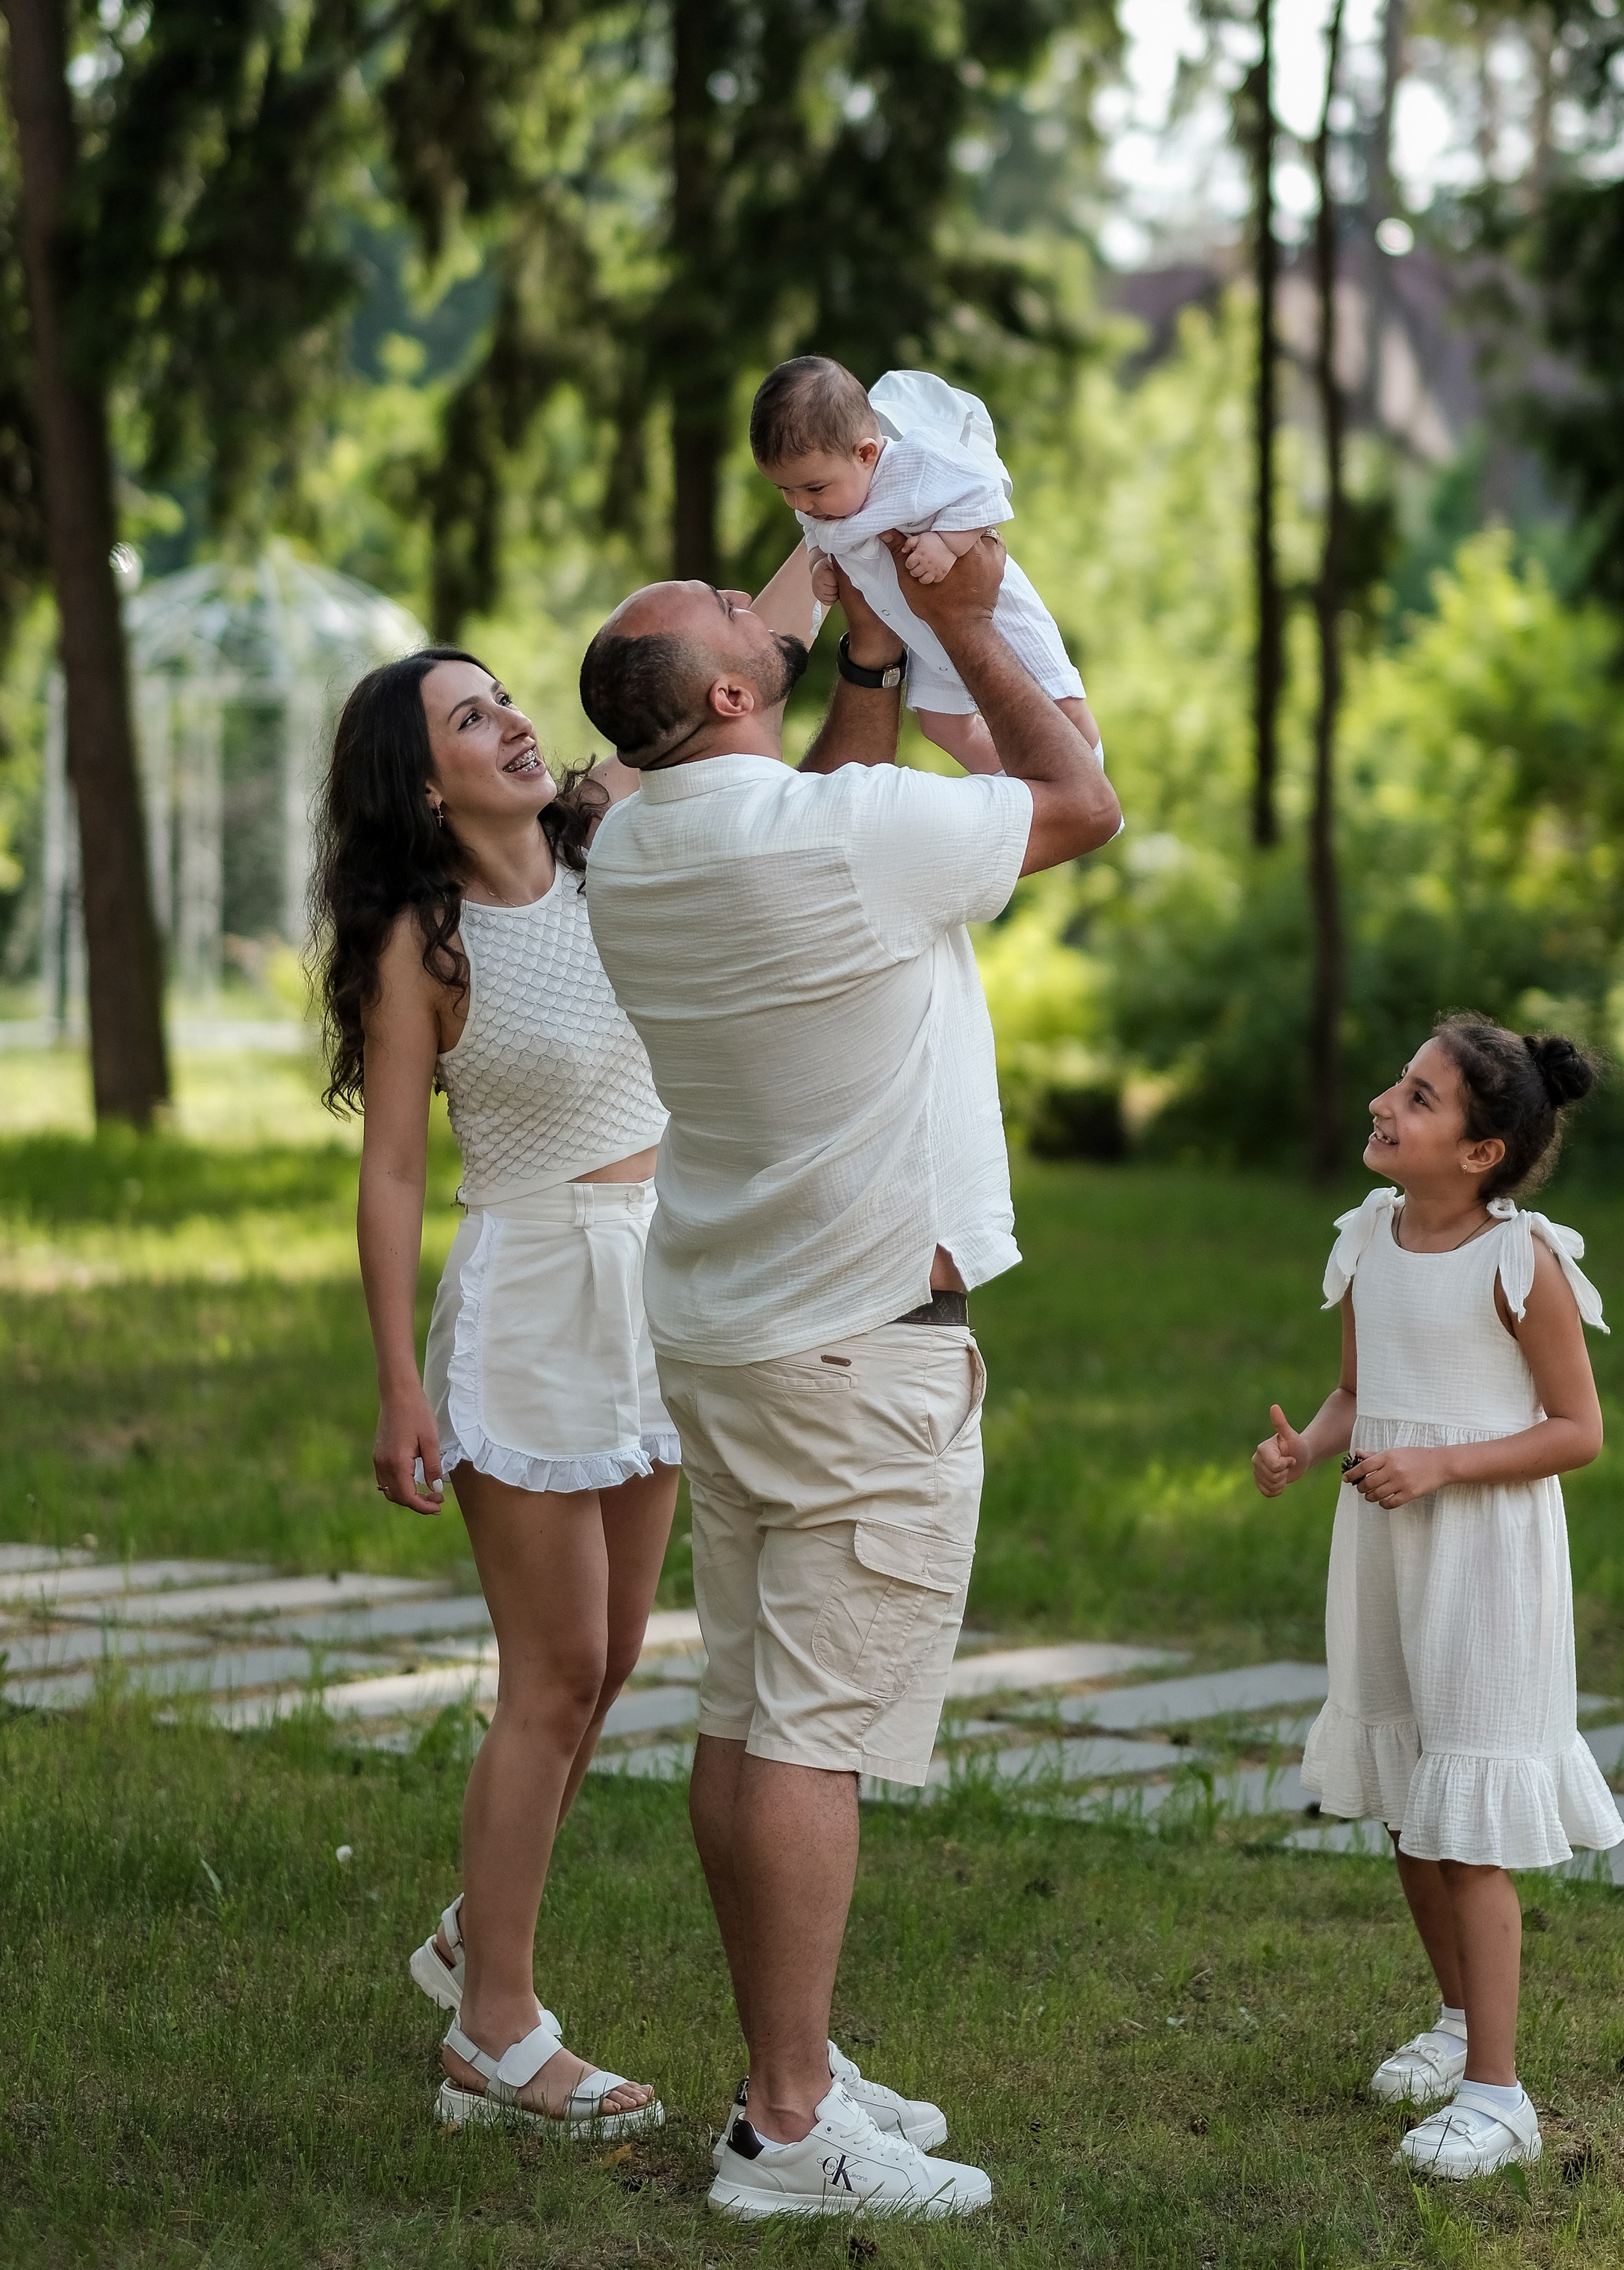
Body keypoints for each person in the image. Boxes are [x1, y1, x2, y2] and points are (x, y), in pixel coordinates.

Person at [578, 535, 1121, 2219]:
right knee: (810, 1738)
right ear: (734, 688)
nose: (758, 594)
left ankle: (787, 2060)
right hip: (861, 1350)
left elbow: (812, 801)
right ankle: (788, 2125)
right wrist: (961, 621)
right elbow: (1079, 803)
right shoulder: (843, 837)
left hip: (728, 1334)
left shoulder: (636, 849)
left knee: (744, 1715)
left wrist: (870, 660)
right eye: (735, 610)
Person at [312, 556, 813, 2136]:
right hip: (531, 1295)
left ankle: (481, 1927)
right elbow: (395, 1173)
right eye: (471, 720)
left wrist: (850, 509)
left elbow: (742, 650)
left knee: (607, 1663)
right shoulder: (425, 940)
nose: (515, 723)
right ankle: (493, 2031)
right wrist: (399, 1382)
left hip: (655, 1285)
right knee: (553, 1676)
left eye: (507, 698)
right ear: (423, 782)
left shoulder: (616, 836)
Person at [1251, 1013, 1624, 2183]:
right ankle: (1462, 2023)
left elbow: (1579, 1431)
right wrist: (1307, 1449)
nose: (1386, 1102)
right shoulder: (1369, 1235)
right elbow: (1358, 1391)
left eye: (1419, 1097)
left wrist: (1443, 1465)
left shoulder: (1522, 1264)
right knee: (1413, 1805)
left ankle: (1500, 2098)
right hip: (1386, 1544)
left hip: (1482, 1559)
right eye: (1398, 1083)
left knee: (1467, 1825)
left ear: (1480, 1153)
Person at [748, 353, 1100, 778]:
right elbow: (817, 541)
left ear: (866, 453)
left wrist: (947, 544)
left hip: (994, 610)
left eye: (814, 488)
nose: (801, 503)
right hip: (921, 631)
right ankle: (1024, 786)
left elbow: (985, 490)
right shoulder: (822, 508)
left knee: (1058, 699)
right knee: (941, 725)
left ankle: (1089, 775)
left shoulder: (914, 463)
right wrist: (818, 567)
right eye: (784, 490)